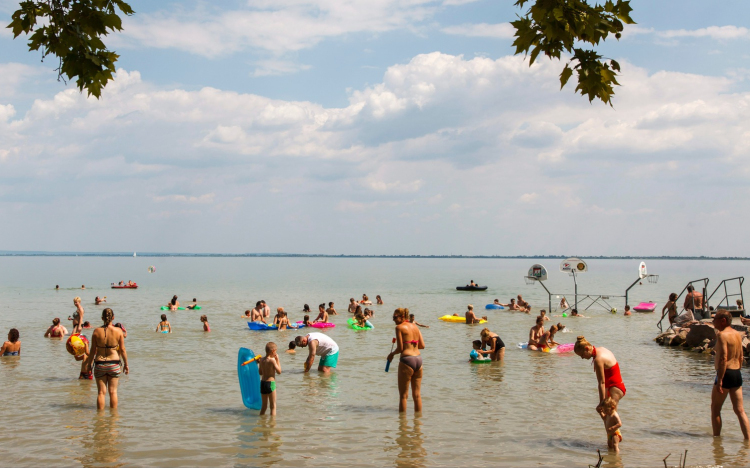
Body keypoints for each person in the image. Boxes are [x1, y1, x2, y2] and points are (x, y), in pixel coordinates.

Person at [711, 310, 750, 439]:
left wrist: (720, 380)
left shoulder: (722, 335)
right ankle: (748, 440)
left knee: (715, 410)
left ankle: (716, 441)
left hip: (725, 373)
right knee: (740, 411)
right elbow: (741, 356)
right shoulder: (737, 334)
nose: (713, 321)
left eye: (715, 318)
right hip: (737, 373)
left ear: (723, 321)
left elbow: (723, 358)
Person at [574, 335, 626, 423]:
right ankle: (611, 436)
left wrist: (601, 403)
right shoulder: (601, 349)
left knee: (611, 422)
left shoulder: (598, 359)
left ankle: (614, 436)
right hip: (618, 386)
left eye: (582, 355)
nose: (582, 358)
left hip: (614, 388)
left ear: (587, 348)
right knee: (609, 420)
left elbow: (601, 383)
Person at [84, 308, 128, 409]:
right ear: (113, 317)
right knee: (113, 392)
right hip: (114, 364)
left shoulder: (96, 331)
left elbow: (92, 351)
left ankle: (100, 420)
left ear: (102, 318)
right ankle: (113, 419)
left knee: (101, 393)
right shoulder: (118, 331)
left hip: (100, 364)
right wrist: (126, 364)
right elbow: (123, 349)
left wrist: (89, 365)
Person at [387, 308, 425, 413]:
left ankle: (402, 426)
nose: (393, 320)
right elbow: (422, 345)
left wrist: (391, 354)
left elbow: (400, 348)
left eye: (395, 317)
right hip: (418, 360)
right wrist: (412, 344)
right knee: (417, 395)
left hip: (407, 361)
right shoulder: (416, 327)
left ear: (402, 317)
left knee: (403, 396)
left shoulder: (399, 327)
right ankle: (417, 424)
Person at [259, 342, 281, 416]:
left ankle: (261, 422)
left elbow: (260, 373)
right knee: (273, 406)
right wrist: (277, 359)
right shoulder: (272, 360)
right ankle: (272, 425)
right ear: (273, 351)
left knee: (264, 406)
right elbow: (279, 371)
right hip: (270, 384)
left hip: (262, 383)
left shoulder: (261, 360)